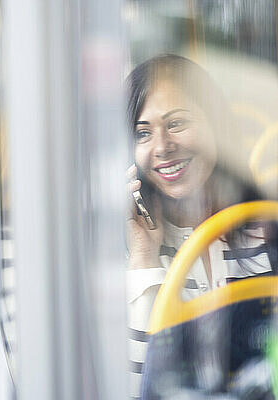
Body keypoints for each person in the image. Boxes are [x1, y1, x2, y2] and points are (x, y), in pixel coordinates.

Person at [125, 54, 277, 398]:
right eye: (143, 133)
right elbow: (140, 387)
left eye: (177, 123)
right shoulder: (129, 249)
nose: (162, 147)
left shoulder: (265, 227)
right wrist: (143, 260)